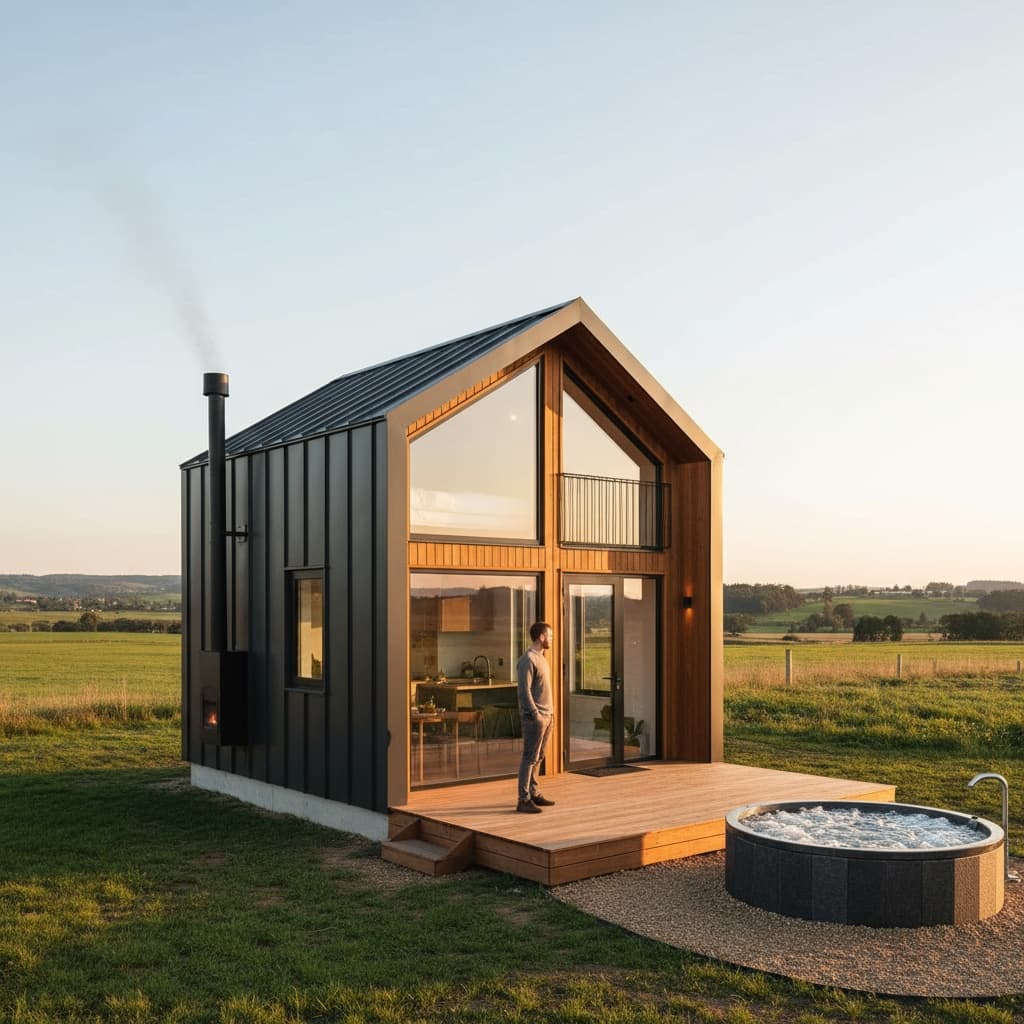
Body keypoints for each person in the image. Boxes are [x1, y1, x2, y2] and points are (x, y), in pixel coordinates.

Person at [515, 621, 556, 813]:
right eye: (550, 635)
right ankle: (523, 800)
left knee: (539, 756)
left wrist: (549, 715)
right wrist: (536, 715)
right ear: (541, 637)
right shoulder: (527, 660)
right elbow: (524, 692)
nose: (552, 639)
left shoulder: (542, 658)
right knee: (529, 757)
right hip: (535, 718)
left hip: (548, 716)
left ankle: (533, 792)